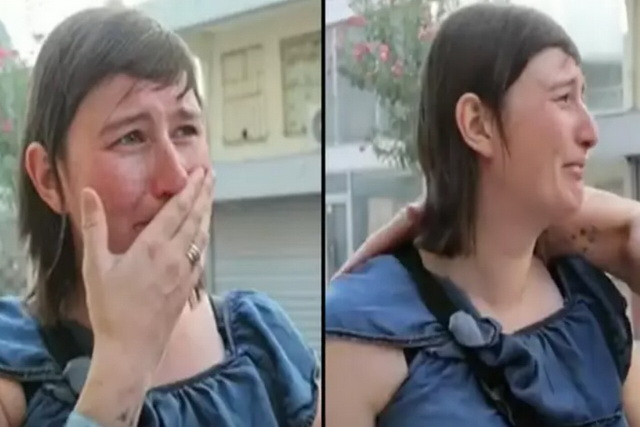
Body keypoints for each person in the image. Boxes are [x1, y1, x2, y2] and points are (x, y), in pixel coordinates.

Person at [0, 7, 320, 426]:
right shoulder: (12, 365)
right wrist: (121, 366)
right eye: (131, 137)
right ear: (48, 178)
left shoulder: (264, 340)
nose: (175, 178)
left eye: (186, 130)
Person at [326, 3, 640, 426]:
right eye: (564, 98)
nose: (590, 132)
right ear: (477, 124)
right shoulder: (360, 332)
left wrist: (631, 227)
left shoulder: (585, 300)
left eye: (583, 97)